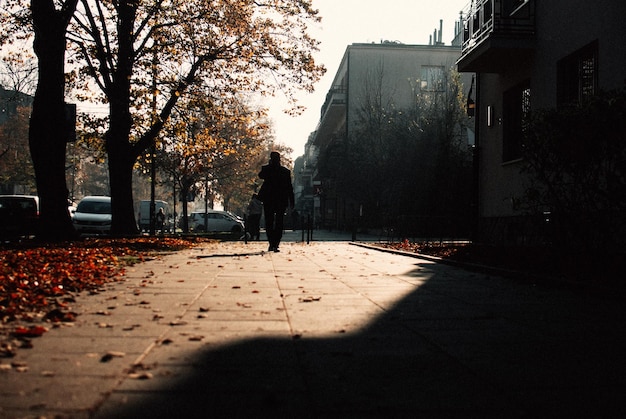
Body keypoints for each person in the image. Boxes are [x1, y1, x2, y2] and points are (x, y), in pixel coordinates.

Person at [258, 151, 294, 252]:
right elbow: (289, 188)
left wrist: (269, 166)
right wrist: (291, 201)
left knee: (269, 222)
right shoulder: (285, 171)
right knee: (279, 222)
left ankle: (271, 243)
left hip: (269, 199)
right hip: (280, 199)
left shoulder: (267, 169)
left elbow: (260, 175)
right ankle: (276, 243)